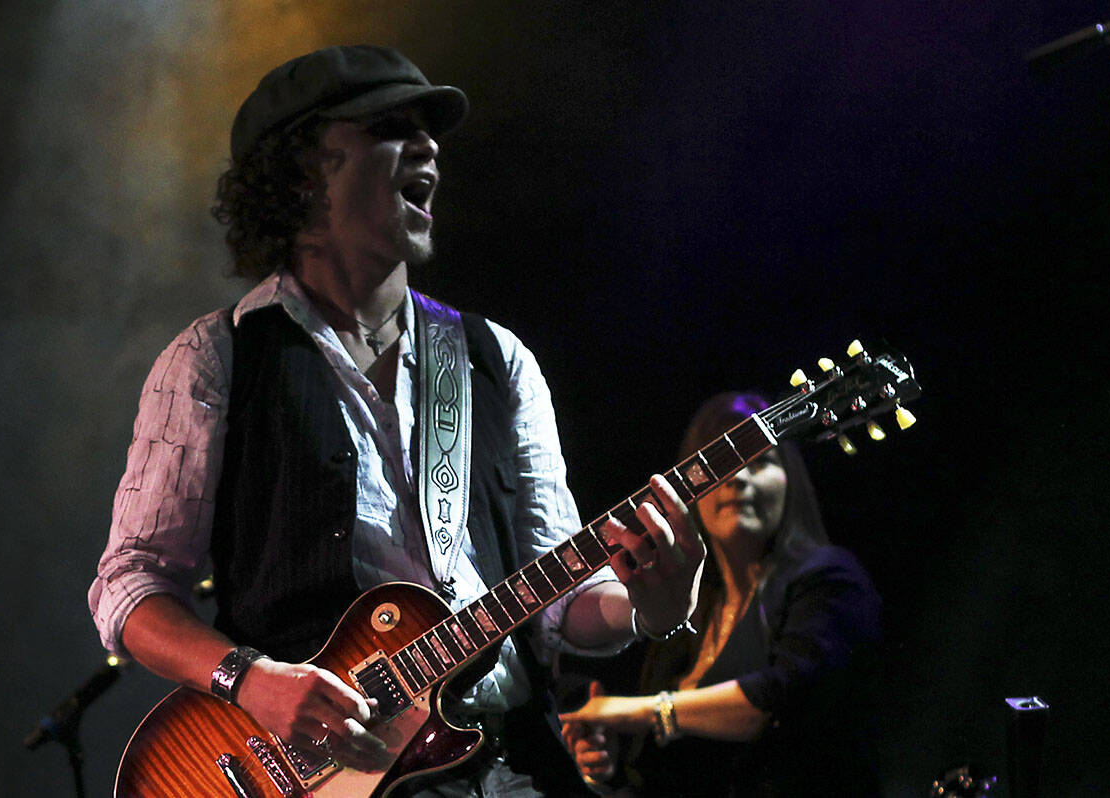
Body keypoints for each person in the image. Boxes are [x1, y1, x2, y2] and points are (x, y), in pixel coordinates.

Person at [88, 44, 704, 796]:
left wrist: (652, 605)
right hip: (323, 773)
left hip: (511, 762)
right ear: (301, 174)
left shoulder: (494, 361)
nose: (429, 146)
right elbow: (131, 585)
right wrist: (249, 681)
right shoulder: (217, 359)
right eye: (389, 127)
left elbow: (565, 607)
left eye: (429, 130)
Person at [560, 392, 883, 797]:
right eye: (720, 466)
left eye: (760, 461)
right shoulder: (689, 610)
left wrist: (636, 712)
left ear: (791, 481)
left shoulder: (830, 578)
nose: (738, 477)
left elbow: (777, 701)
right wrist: (607, 767)